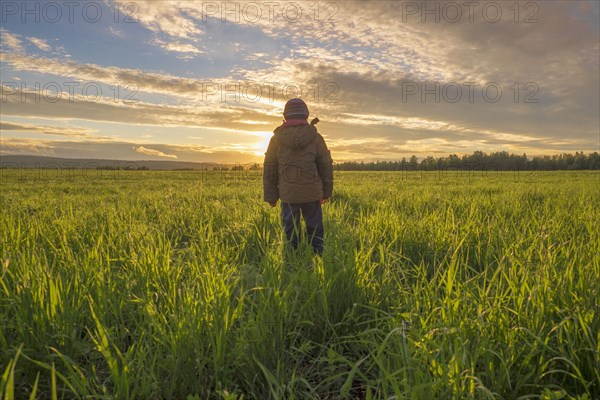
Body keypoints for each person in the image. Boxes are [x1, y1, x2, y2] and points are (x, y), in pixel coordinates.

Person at [263, 98, 333, 256]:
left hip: (288, 195)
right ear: (306, 115)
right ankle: (317, 257)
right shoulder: (316, 138)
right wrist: (326, 193)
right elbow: (326, 166)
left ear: (285, 116)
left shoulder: (276, 140)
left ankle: (292, 259)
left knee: (290, 228)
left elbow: (269, 170)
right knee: (315, 227)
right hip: (312, 193)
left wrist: (271, 197)